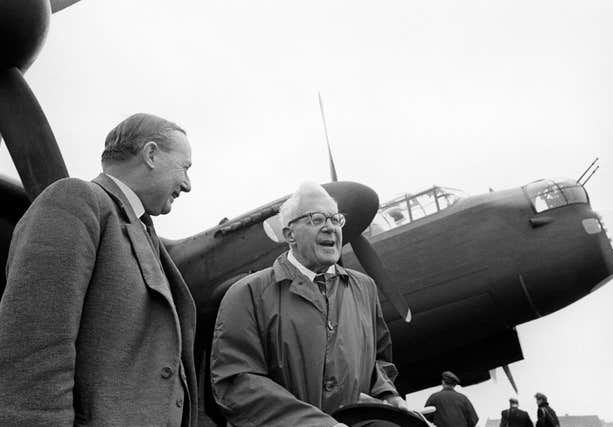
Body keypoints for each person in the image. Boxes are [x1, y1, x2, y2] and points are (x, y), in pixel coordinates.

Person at [0, 113, 197, 426]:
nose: (187, 185)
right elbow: (34, 351)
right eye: (185, 167)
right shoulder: (76, 199)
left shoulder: (143, 232)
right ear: (150, 154)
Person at [210, 182, 407, 427]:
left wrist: (388, 394)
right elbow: (236, 382)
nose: (330, 228)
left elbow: (378, 359)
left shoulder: (365, 288)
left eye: (336, 220)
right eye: (316, 219)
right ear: (289, 234)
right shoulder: (246, 293)